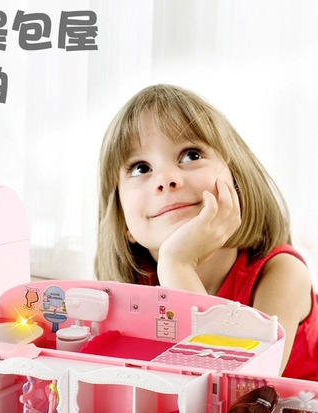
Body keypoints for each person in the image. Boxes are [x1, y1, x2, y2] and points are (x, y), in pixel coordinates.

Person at [95, 84, 318, 379]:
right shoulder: (135, 291)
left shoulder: (283, 274)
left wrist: (178, 264)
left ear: (236, 180)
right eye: (141, 168)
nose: (165, 179)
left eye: (191, 155)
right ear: (124, 222)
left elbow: (237, 388)